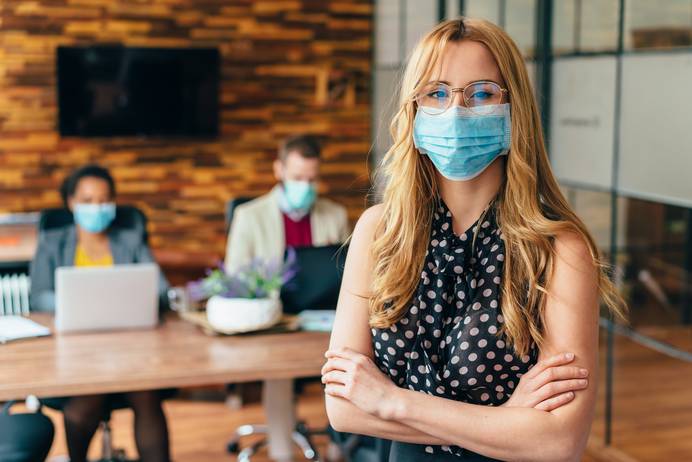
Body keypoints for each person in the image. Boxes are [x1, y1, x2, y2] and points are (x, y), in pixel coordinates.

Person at [321, 17, 627, 461]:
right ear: (414, 110)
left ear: (513, 108)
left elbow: (559, 442)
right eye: (437, 93)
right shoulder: (378, 231)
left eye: (481, 93)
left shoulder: (559, 250)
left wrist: (392, 400)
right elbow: (343, 409)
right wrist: (505, 419)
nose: (456, 111)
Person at [29, 164, 171, 462]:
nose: (98, 207)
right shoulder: (52, 242)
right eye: (88, 200)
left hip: (131, 346)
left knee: (146, 395)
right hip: (74, 350)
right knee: (88, 396)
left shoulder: (131, 238)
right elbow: (39, 295)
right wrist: (74, 303)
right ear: (71, 202)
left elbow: (159, 288)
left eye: (105, 200)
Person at [225, 135, 350, 272]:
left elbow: (346, 273)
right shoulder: (247, 216)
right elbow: (235, 276)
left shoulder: (337, 216)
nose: (305, 186)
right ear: (279, 170)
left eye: (312, 179)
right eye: (297, 178)